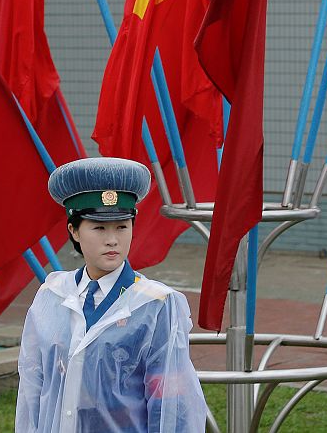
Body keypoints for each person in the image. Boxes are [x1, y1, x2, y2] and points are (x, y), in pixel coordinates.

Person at [15, 157, 208, 432]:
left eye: (122, 226)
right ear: (74, 231)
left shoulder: (156, 305)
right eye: (99, 228)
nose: (113, 240)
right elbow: (32, 386)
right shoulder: (52, 296)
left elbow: (171, 406)